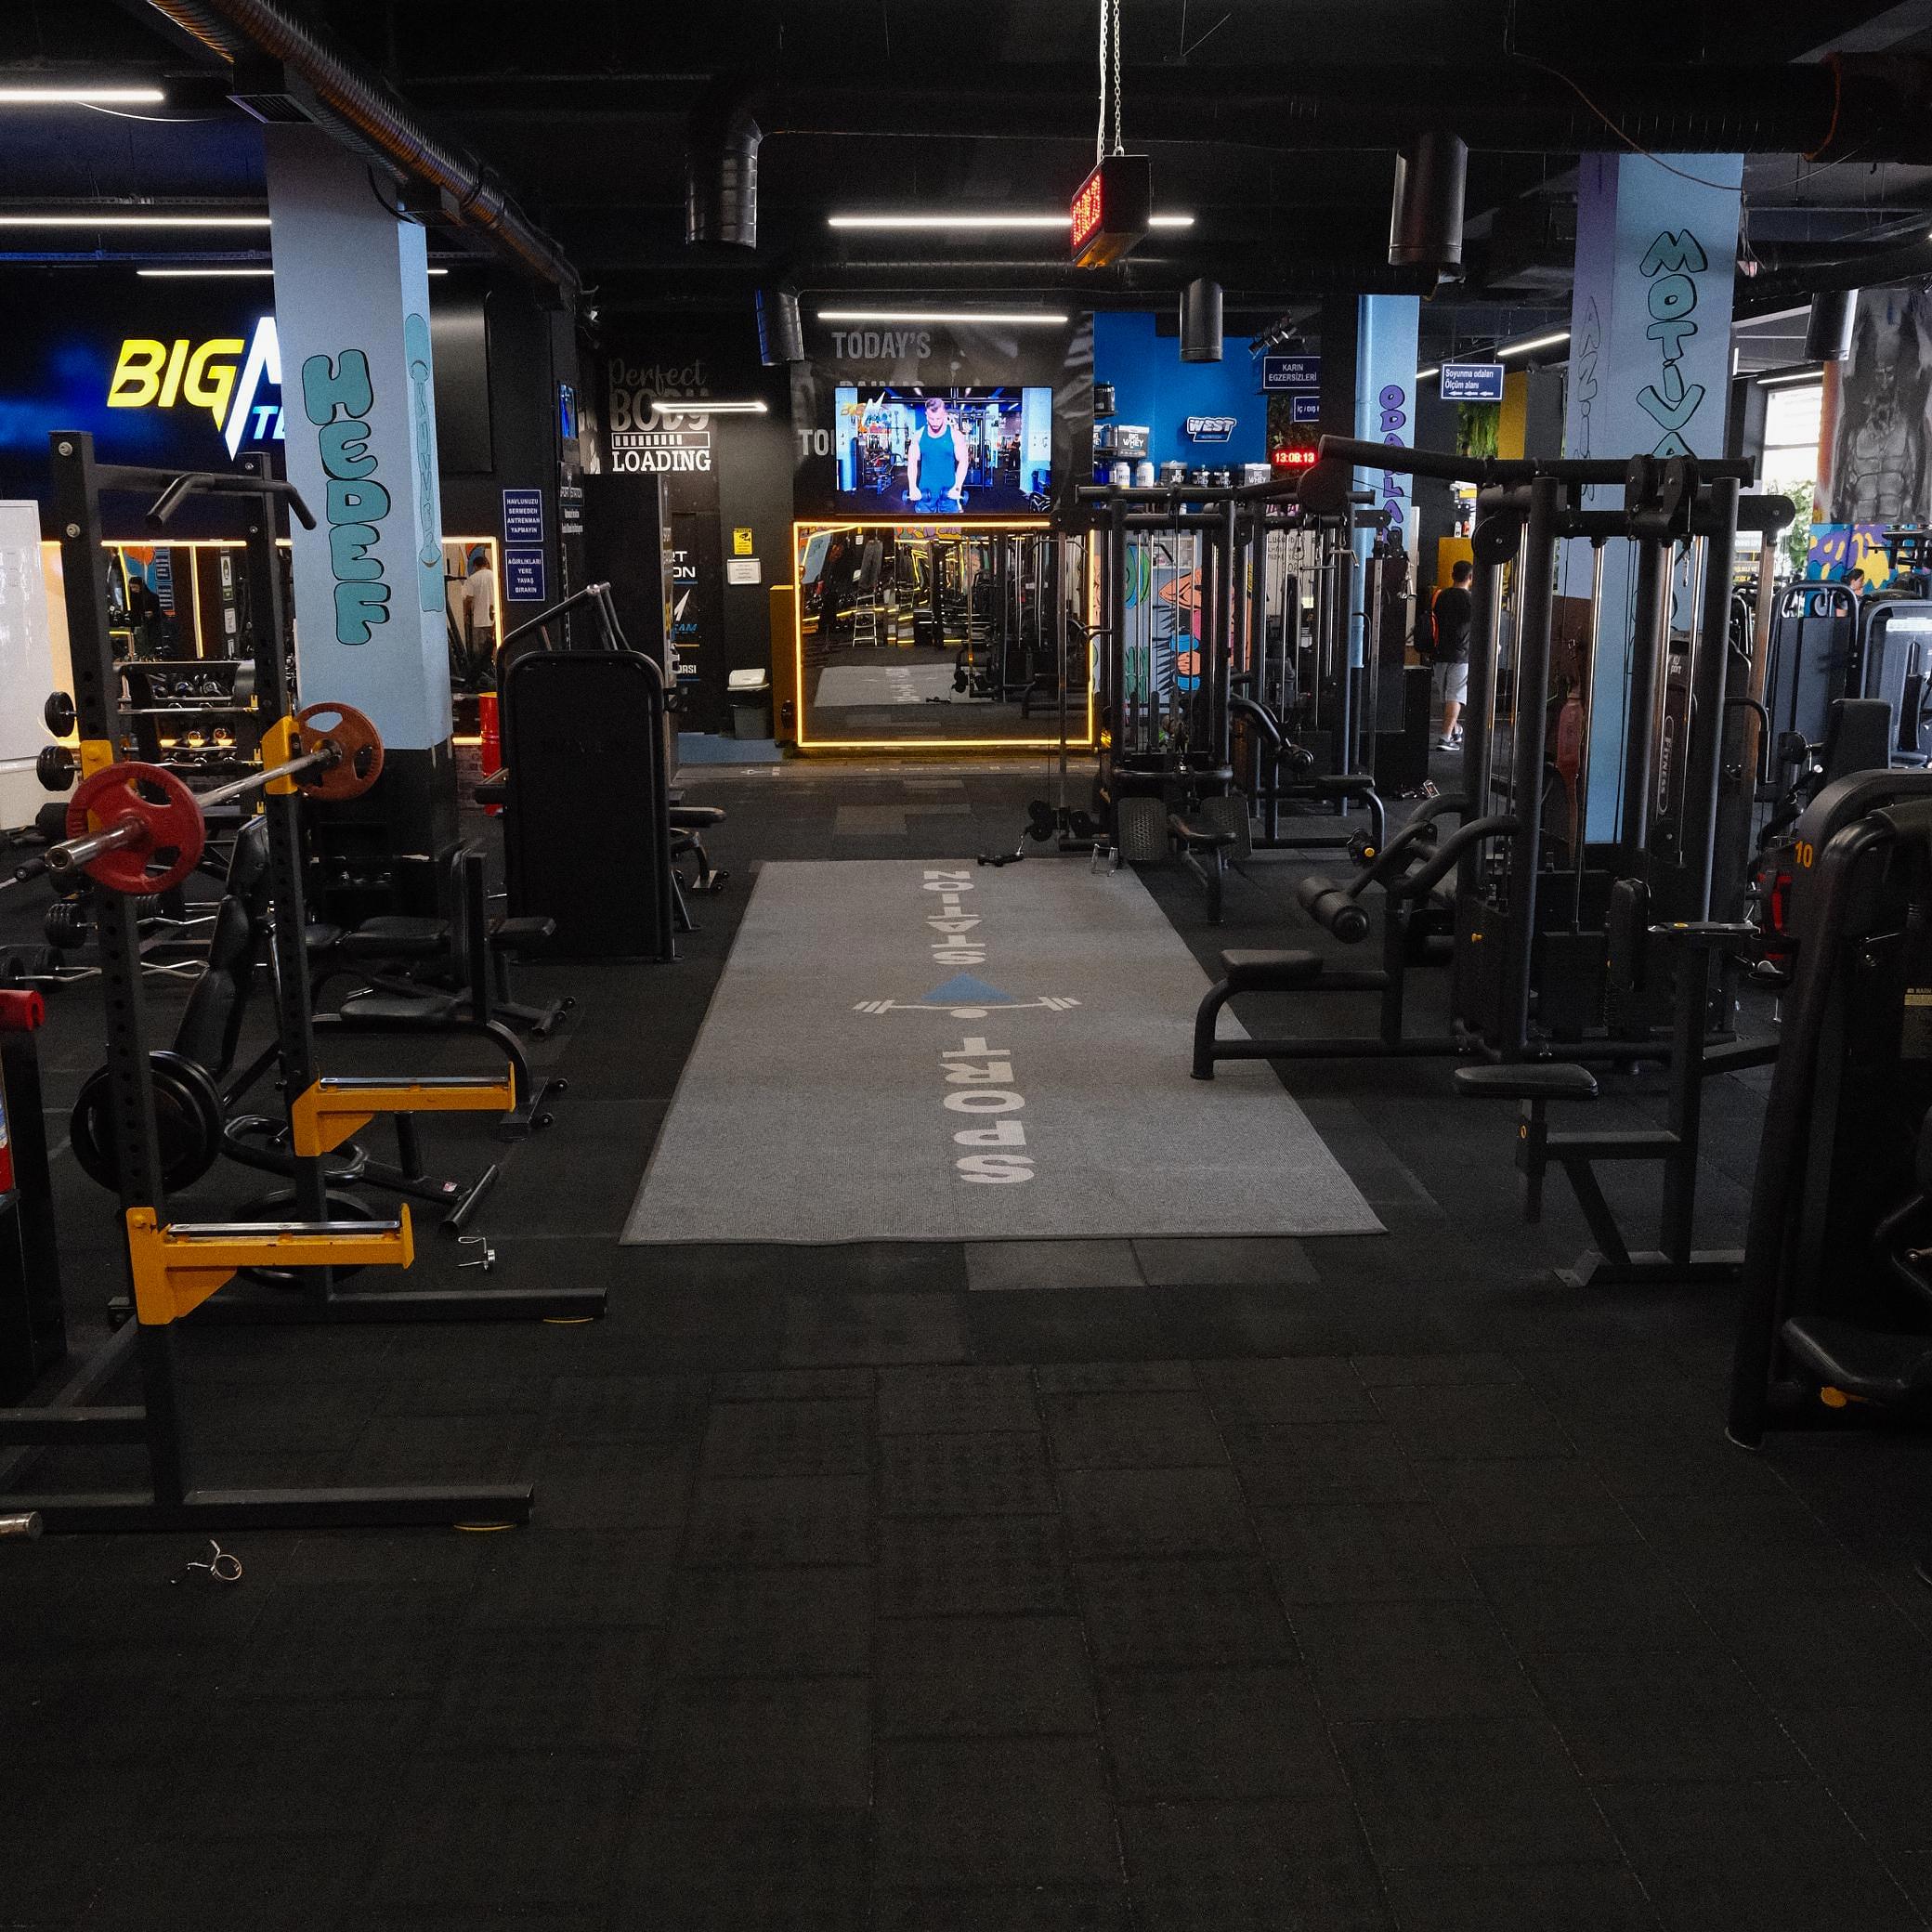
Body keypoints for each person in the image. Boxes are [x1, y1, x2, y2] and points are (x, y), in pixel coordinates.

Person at [1432, 557, 1474, 750]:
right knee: (1455, 696)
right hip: (1461, 654)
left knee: (1446, 696)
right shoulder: (1471, 600)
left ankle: (1455, 729)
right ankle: (1445, 737)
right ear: (1470, 577)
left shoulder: (1440, 596)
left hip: (1440, 652)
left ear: (1452, 575)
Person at [905, 395, 969, 513]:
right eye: (931, 418)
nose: (935, 423)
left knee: (951, 525)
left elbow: (963, 461)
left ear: (945, 415)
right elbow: (912, 463)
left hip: (949, 493)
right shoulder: (918, 436)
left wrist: (957, 487)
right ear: (926, 415)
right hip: (925, 494)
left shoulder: (956, 436)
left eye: (938, 418)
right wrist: (912, 487)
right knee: (924, 525)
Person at [462, 545, 498, 651]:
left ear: (475, 566)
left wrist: (465, 614)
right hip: (494, 617)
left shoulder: (473, 579)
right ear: (486, 564)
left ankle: (483, 661)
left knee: (481, 647)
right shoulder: (494, 576)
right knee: (494, 644)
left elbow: (469, 599)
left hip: (479, 618)